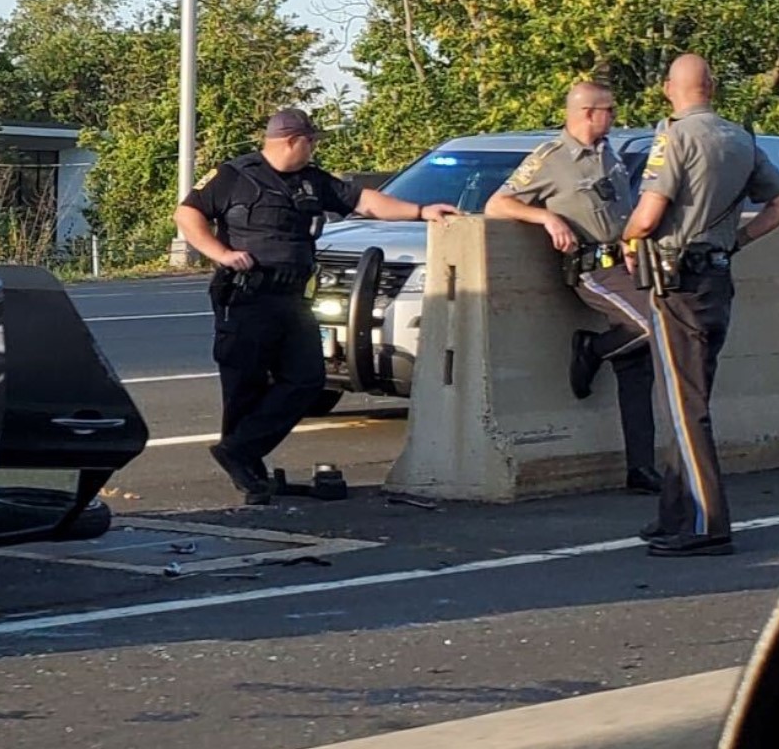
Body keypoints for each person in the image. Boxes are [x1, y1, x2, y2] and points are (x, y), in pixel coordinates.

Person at [175, 107, 460, 504]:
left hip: (293, 298)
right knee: (245, 385)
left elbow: (365, 201)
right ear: (292, 141)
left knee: (306, 379)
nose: (314, 148)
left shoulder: (312, 181)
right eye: (311, 141)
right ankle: (249, 470)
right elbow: (187, 214)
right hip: (246, 296)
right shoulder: (234, 176)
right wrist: (220, 253)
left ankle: (239, 451)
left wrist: (420, 211)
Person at [622, 54, 779, 557]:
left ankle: (704, 524)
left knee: (683, 406)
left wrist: (626, 234)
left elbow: (649, 212)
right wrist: (738, 239)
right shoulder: (741, 138)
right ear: (713, 86)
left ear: (668, 89)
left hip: (677, 280)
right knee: (686, 401)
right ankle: (672, 516)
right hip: (717, 276)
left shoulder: (674, 137)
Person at [483, 81, 660, 493]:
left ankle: (641, 466)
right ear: (586, 112)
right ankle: (591, 348)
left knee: (639, 365)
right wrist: (548, 219)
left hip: (626, 263)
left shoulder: (609, 153)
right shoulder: (551, 158)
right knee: (652, 326)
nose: (614, 117)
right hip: (591, 269)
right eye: (609, 110)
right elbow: (498, 203)